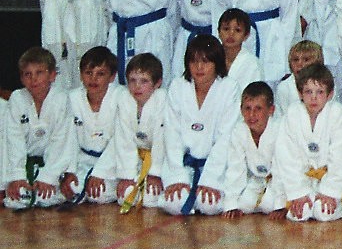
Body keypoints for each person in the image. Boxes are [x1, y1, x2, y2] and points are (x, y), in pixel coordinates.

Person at [153, 34, 240, 216]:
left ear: (217, 63)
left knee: (209, 206)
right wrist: (178, 177)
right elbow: (172, 133)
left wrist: (210, 179)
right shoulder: (178, 86)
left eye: (206, 62)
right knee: (174, 203)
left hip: (217, 166)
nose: (199, 67)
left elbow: (226, 137)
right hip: (183, 164)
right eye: (194, 61)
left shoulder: (229, 87)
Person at [274, 62, 342, 222]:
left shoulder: (337, 113)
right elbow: (286, 156)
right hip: (302, 179)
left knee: (323, 213)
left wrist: (329, 192)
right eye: (308, 91)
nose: (313, 97)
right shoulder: (292, 114)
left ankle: (332, 201)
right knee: (299, 215)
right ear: (300, 93)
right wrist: (298, 193)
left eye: (320, 92)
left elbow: (340, 157)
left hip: (328, 179)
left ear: (330, 94)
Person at [59, 46, 132, 205]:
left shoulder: (122, 96)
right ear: (81, 75)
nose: (93, 79)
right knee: (70, 188)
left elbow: (120, 139)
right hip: (83, 161)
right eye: (88, 73)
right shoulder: (72, 98)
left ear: (112, 76)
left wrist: (100, 172)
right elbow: (69, 139)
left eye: (100, 74)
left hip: (114, 162)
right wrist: (69, 171)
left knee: (99, 194)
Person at [2, 47, 71, 209]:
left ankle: (49, 182)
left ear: (52, 75)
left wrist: (48, 177)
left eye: (39, 72)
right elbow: (13, 139)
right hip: (24, 164)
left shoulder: (61, 99)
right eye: (27, 74)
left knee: (48, 198)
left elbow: (61, 140)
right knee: (17, 200)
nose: (33, 79)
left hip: (51, 165)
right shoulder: (17, 98)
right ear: (21, 78)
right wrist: (17, 176)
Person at [204, 81, 285, 217]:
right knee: (243, 205)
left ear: (271, 110)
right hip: (258, 180)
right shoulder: (239, 131)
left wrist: (280, 205)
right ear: (241, 110)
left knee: (269, 205)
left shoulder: (280, 129)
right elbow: (236, 168)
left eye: (258, 109)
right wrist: (231, 204)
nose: (252, 114)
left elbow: (283, 169)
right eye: (247, 108)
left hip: (282, 182)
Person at [109, 53, 166, 211]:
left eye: (144, 81)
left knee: (151, 198)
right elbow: (124, 140)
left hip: (161, 161)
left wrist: (155, 174)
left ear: (157, 83)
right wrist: (127, 176)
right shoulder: (125, 100)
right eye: (132, 80)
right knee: (125, 196)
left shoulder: (163, 100)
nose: (137, 86)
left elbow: (162, 142)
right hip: (138, 159)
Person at [217, 8, 261, 96]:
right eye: (226, 29)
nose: (231, 33)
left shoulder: (252, 63)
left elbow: (255, 96)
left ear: (246, 35)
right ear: (219, 32)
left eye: (237, 30)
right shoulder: (211, 58)